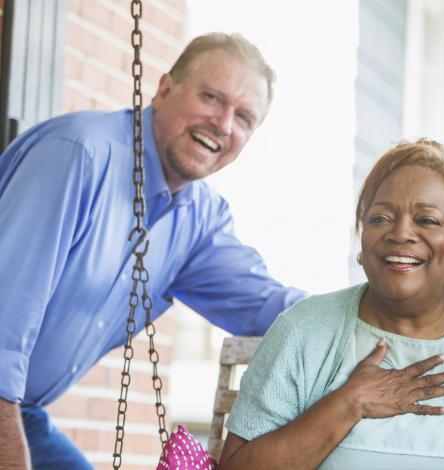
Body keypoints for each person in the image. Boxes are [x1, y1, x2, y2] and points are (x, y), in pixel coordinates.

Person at [0, 33, 304, 469]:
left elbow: (272, 308)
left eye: (243, 117)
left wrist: (391, 316)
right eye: (211, 97)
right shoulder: (78, 155)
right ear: (164, 89)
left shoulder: (199, 221)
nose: (223, 123)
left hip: (20, 409)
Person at [219, 139, 444, 470]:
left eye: (427, 220)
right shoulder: (305, 330)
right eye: (380, 218)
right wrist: (351, 401)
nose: (400, 233)